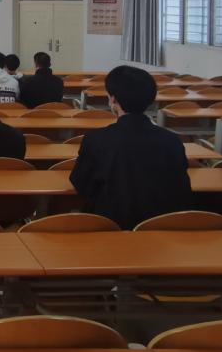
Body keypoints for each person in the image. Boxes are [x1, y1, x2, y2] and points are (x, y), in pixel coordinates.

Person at [70, 66, 193, 230]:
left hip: (110, 228)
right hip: (162, 230)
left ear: (113, 100)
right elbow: (182, 189)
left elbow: (81, 185)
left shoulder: (96, 140)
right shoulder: (172, 140)